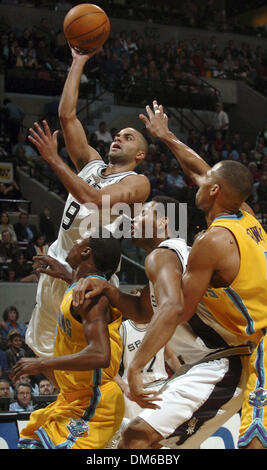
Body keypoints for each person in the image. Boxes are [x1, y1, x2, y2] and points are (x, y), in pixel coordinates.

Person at [125, 100, 267, 450]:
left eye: (205, 183)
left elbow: (176, 311)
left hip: (250, 350)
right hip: (244, 351)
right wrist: (166, 136)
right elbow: (201, 170)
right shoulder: (246, 216)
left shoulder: (210, 242)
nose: (197, 183)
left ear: (215, 191)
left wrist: (137, 365)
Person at [71, 196, 250, 449]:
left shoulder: (163, 253)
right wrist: (108, 289)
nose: (132, 219)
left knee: (136, 435)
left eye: (143, 214)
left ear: (164, 222)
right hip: (211, 364)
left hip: (222, 363)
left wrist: (135, 368)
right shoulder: (175, 256)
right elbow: (143, 311)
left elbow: (172, 307)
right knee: (145, 443)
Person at [25, 46, 150, 359]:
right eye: (118, 134)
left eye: (129, 137)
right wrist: (77, 62)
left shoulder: (136, 182)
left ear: (140, 156)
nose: (118, 137)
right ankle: (64, 407)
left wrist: (53, 159)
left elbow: (92, 198)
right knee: (42, 351)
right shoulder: (91, 164)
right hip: (58, 259)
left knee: (90, 355)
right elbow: (67, 116)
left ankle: (96, 405)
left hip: (93, 275)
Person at [11, 231, 125, 449]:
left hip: (95, 401)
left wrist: (42, 363)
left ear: (86, 251)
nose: (74, 242)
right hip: (73, 398)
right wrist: (66, 274)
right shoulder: (80, 287)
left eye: (79, 241)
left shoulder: (93, 296)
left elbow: (100, 355)